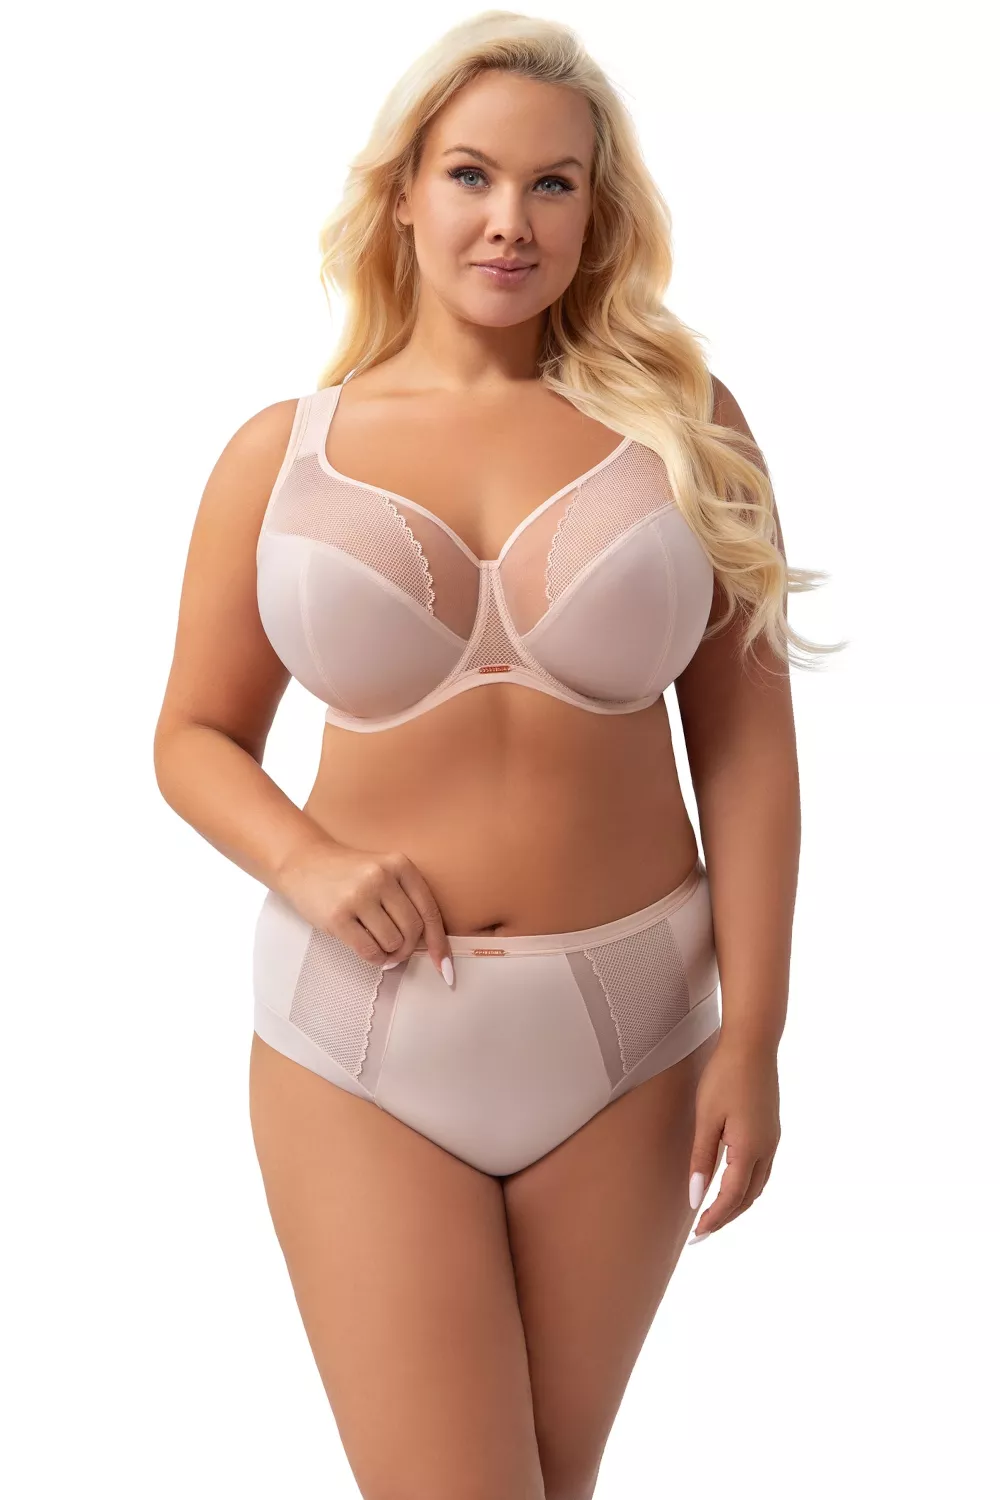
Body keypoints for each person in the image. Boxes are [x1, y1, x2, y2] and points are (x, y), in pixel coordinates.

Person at [154, 12, 837, 1498]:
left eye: (552, 185)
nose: (509, 220)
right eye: (471, 174)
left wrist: (759, 1036)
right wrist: (307, 862)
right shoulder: (283, 455)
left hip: (634, 1030)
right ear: (403, 192)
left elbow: (748, 752)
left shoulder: (685, 432)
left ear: (596, 215)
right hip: (362, 1037)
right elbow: (192, 736)